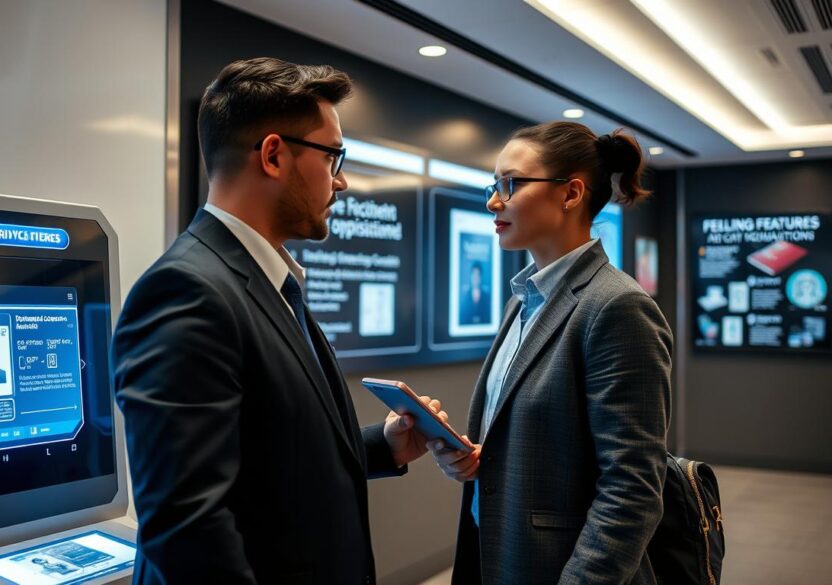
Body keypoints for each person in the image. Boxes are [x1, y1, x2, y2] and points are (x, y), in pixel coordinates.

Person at [112, 57, 447, 585]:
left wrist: (382, 446)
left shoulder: (264, 281)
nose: (342, 181)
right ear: (273, 155)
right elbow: (187, 527)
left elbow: (268, 465)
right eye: (333, 157)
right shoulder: (187, 292)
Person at [429, 121, 672, 584]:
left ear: (571, 193)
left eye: (511, 184)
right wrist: (472, 457)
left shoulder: (618, 307)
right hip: (498, 553)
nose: (493, 201)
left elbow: (633, 489)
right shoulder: (522, 302)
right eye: (493, 186)